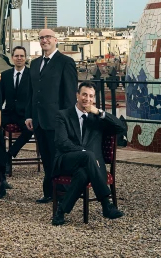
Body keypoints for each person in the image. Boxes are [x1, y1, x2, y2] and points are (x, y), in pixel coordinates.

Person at [51, 81, 127, 225]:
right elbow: (61, 142)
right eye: (84, 95)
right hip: (67, 160)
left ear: (94, 100)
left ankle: (61, 211)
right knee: (88, 156)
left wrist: (99, 112)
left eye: (91, 96)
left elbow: (121, 128)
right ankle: (106, 204)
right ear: (77, 95)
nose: (87, 99)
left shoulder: (97, 118)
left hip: (91, 167)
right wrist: (85, 153)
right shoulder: (63, 115)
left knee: (84, 173)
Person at [25, 29, 78, 203]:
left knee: (59, 157)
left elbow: (69, 96)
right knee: (46, 158)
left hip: (57, 121)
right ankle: (49, 192)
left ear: (56, 40)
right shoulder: (34, 64)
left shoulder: (66, 62)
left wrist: (66, 121)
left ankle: (63, 194)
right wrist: (29, 116)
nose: (44, 40)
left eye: (48, 37)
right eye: (41, 38)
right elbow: (31, 93)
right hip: (39, 120)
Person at [0, 46, 33, 173]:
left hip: (24, 114)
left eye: (22, 56)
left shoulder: (32, 75)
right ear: (12, 58)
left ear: (25, 58)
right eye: (16, 56)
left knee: (29, 130)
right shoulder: (5, 75)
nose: (19, 58)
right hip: (8, 112)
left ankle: (9, 155)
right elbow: (0, 97)